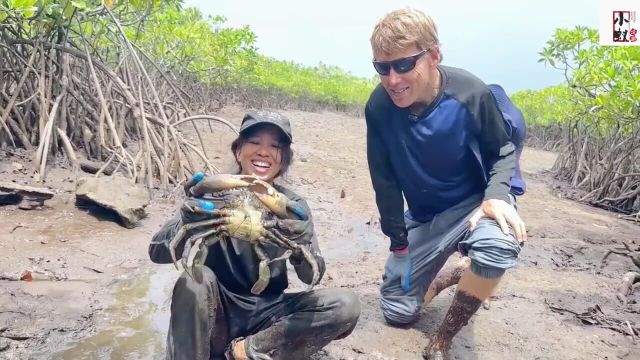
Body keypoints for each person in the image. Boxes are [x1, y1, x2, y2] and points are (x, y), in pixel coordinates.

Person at [364, 9, 527, 360]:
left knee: (497, 247)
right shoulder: (378, 107)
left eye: (404, 65)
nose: (393, 79)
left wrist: (498, 196)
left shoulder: (470, 93)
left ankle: (442, 339)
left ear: (434, 55)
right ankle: (448, 275)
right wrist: (398, 241)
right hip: (424, 216)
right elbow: (385, 180)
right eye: (382, 68)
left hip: (475, 205)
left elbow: (502, 152)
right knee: (397, 314)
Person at [149, 111, 361, 360]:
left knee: (344, 304)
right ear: (238, 150)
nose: (263, 151)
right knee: (193, 280)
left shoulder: (292, 207)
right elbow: (157, 252)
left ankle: (245, 352)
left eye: (275, 146)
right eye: (255, 142)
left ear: (284, 160)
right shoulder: (209, 195)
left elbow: (311, 276)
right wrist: (185, 221)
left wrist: (299, 247)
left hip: (267, 314)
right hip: (215, 311)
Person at [487, 83, 527, 198]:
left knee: (502, 158)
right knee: (511, 158)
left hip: (511, 128)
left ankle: (504, 191)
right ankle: (513, 186)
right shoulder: (514, 111)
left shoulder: (485, 101)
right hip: (517, 127)